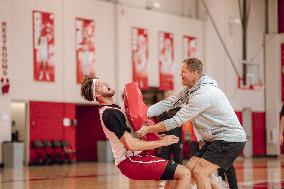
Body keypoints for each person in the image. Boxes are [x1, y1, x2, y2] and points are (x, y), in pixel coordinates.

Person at [137, 58, 246, 189]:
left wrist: (148, 129)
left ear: (194, 74)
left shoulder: (203, 94)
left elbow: (176, 121)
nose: (180, 75)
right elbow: (169, 102)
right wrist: (143, 113)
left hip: (229, 138)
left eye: (183, 72)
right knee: (190, 168)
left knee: (200, 172)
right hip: (216, 139)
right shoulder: (189, 90)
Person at [80, 75, 191, 189]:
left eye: (104, 82)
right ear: (97, 95)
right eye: (101, 85)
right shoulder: (111, 113)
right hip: (131, 161)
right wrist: (162, 142)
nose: (106, 84)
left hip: (134, 158)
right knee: (185, 173)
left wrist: (153, 135)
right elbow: (131, 145)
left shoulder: (112, 110)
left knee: (173, 175)